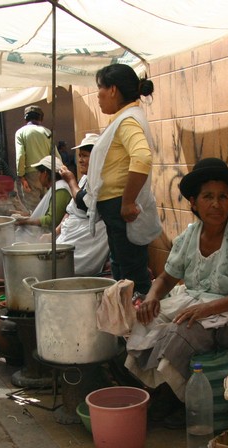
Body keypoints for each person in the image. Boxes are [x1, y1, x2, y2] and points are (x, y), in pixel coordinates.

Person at [126, 158, 228, 428]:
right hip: (200, 307)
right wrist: (151, 297)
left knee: (178, 334)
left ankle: (176, 402)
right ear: (194, 202)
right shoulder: (191, 235)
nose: (216, 204)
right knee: (142, 322)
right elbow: (166, 277)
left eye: (223, 197)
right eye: (208, 197)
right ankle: (159, 392)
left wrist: (208, 309)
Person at [85, 64, 162, 296]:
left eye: (100, 88)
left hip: (121, 207)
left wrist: (128, 201)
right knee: (121, 271)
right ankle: (126, 325)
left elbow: (142, 157)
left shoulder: (128, 120)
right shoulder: (123, 118)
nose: (97, 95)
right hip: (114, 208)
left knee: (131, 277)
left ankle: (140, 327)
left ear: (113, 90)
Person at [55, 133, 109, 276]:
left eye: (84, 156)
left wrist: (71, 180)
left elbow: (87, 205)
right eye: (79, 156)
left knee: (63, 269)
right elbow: (70, 210)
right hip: (71, 233)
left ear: (97, 157)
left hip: (86, 240)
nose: (80, 160)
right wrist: (55, 232)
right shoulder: (85, 178)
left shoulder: (102, 179)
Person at [13, 155, 71, 241]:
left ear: (45, 173)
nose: (38, 176)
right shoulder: (56, 188)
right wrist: (25, 215)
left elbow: (51, 220)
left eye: (39, 173)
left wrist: (25, 221)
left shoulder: (60, 189)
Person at [14, 105, 60, 211]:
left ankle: (37, 228)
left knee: (34, 210)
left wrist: (21, 176)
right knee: (48, 208)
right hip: (48, 174)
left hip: (31, 176)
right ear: (41, 119)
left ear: (25, 118)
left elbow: (20, 156)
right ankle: (48, 227)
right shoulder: (47, 132)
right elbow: (56, 156)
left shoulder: (21, 132)